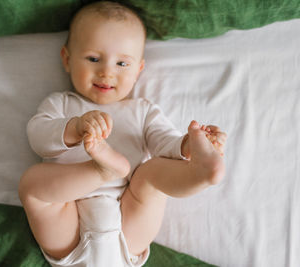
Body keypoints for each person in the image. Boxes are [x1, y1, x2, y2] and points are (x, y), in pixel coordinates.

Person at [18, 1, 227, 266]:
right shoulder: (61, 104)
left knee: (152, 173)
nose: (107, 72)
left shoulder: (142, 110)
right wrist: (74, 127)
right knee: (33, 183)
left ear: (139, 70)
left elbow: (165, 142)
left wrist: (186, 145)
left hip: (119, 214)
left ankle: (201, 173)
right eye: (93, 59)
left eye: (122, 63)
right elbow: (38, 136)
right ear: (67, 59)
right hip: (76, 215)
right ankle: (101, 170)